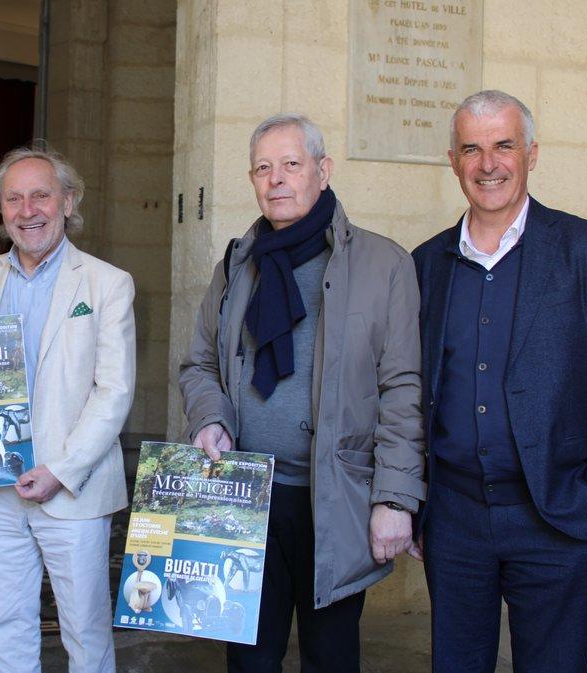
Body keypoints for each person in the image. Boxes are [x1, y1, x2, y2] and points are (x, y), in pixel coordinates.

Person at [178, 114, 425, 673]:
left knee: (330, 657)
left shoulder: (383, 264)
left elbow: (402, 390)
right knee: (249, 660)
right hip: (246, 497)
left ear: (323, 170)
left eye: (291, 164)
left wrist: (395, 499)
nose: (277, 179)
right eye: (263, 168)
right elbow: (198, 363)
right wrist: (209, 418)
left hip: (335, 498)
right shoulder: (238, 263)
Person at [411, 90, 587, 673]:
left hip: (560, 518)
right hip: (456, 521)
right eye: (472, 149)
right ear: (453, 160)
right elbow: (410, 391)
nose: (488, 163)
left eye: (503, 146)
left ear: (531, 154)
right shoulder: (425, 264)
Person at [0, 145, 136, 673]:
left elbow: (113, 393)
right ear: (1, 211)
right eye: (13, 199)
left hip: (73, 487)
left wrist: (61, 472)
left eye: (41, 195)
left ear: (68, 202)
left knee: (86, 633)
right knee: (5, 623)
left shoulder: (106, 283)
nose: (28, 210)